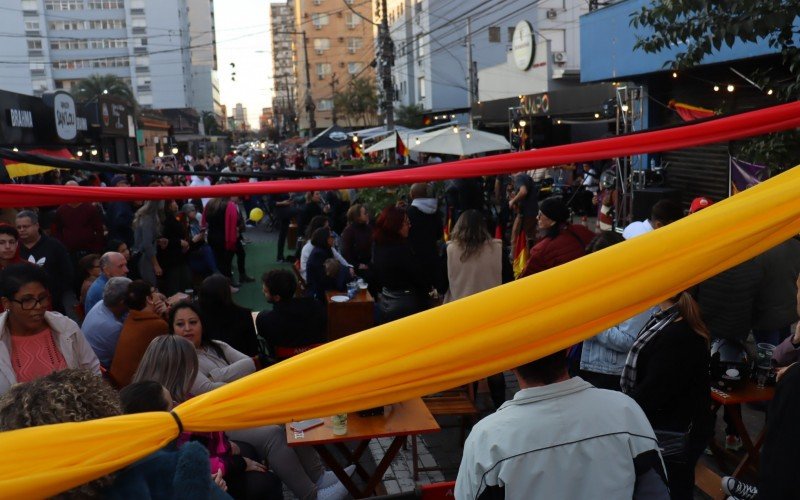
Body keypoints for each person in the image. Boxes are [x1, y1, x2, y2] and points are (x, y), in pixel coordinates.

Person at [167, 304, 351, 500]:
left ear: (202, 324)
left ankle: (320, 476)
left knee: (289, 416)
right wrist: (227, 379)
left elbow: (249, 363)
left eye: (192, 322)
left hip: (244, 406)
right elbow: (210, 392)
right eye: (180, 324)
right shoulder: (182, 359)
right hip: (219, 421)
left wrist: (215, 376)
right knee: (273, 434)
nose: (187, 328)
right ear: (172, 328)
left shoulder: (216, 346)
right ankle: (312, 496)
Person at [455, 349, 668, 499]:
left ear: (510, 363)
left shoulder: (487, 438)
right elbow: (655, 491)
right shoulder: (625, 411)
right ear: (567, 349)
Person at [131, 336, 281, 500]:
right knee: (266, 482)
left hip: (201, 464)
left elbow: (206, 439)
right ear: (180, 371)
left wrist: (228, 449)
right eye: (192, 367)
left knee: (248, 450)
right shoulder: (168, 408)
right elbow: (187, 460)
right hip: (191, 479)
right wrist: (235, 462)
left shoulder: (154, 396)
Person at [621, 291, 713, 499]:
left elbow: (655, 391)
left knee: (673, 487)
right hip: (672, 425)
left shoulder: (677, 334)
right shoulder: (666, 320)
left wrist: (620, 407)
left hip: (673, 431)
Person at [0, 264, 100, 396]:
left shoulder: (67, 328)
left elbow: (92, 372)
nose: (38, 306)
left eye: (42, 298)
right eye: (27, 300)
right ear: (6, 303)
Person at [443, 209, 507, 408]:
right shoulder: (497, 248)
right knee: (495, 367)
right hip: (491, 314)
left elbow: (440, 282)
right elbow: (508, 281)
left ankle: (468, 410)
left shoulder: (450, 250)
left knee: (466, 365)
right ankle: (500, 406)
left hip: (460, 315)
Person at [579, 231, 658, 390]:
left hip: (613, 373)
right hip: (593, 365)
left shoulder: (636, 290)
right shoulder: (603, 283)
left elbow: (629, 341)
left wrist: (591, 326)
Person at [372, 206, 431, 323]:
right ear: (396, 225)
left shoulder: (378, 245)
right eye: (406, 222)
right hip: (405, 304)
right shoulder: (400, 250)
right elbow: (417, 277)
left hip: (385, 300)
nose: (409, 225)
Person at [109, 280, 169, 388]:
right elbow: (174, 347)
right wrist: (167, 314)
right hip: (135, 388)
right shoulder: (158, 325)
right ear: (149, 299)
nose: (157, 294)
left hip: (117, 384)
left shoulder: (131, 317)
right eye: (154, 291)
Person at [256, 269, 326, 360]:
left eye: (265, 291)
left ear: (277, 297)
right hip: (317, 359)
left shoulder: (265, 319)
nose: (263, 292)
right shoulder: (317, 307)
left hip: (284, 364)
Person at [518, 196, 594, 278]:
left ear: (552, 220)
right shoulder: (582, 230)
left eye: (540, 215)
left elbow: (524, 279)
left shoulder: (541, 250)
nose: (537, 217)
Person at [16, 210, 74, 314]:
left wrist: (55, 294)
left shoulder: (54, 246)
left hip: (53, 303)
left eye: (25, 226)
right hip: (22, 304)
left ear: (36, 225)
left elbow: (67, 274)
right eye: (19, 227)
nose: (22, 230)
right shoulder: (14, 248)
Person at [752, 235, 800, 345]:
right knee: (785, 347)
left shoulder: (759, 249)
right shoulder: (796, 245)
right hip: (788, 310)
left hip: (765, 315)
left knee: (768, 352)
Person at [198, 274, 261, 356]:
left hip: (210, 365)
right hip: (242, 363)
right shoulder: (243, 315)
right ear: (227, 293)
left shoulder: (196, 317)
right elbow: (253, 349)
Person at [82, 277, 131, 369]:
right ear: (123, 302)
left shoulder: (101, 303)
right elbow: (125, 357)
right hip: (103, 370)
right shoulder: (113, 327)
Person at [407, 183, 445, 295]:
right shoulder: (436, 212)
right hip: (432, 253)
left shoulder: (409, 213)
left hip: (415, 256)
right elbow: (439, 234)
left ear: (412, 195)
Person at [299, 216, 351, 281]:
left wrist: (349, 267)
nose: (330, 229)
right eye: (327, 228)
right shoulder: (311, 249)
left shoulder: (324, 244)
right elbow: (317, 275)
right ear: (319, 231)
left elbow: (338, 257)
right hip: (312, 282)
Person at [159, 199, 192, 296]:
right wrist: (179, 242)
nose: (175, 203)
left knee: (185, 281)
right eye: (172, 201)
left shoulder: (175, 218)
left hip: (180, 255)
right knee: (175, 284)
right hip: (172, 257)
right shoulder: (167, 220)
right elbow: (164, 239)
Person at [305, 227, 346, 301]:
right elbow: (323, 278)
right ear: (325, 239)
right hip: (318, 293)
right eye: (331, 236)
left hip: (323, 287)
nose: (333, 238)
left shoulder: (325, 249)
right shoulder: (318, 254)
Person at [204, 197, 239, 281]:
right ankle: (227, 283)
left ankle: (222, 283)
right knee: (225, 262)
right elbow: (234, 222)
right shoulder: (229, 206)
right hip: (225, 237)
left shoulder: (209, 204)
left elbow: (204, 220)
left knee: (218, 261)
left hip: (212, 236)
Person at [133, 200, 164, 287]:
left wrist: (157, 241)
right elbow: (146, 243)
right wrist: (156, 264)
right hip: (145, 256)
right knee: (150, 285)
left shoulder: (151, 216)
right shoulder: (147, 218)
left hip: (147, 254)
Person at [508, 172, 539, 247]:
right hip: (532, 212)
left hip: (525, 213)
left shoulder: (519, 178)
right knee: (531, 237)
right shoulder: (526, 177)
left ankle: (515, 256)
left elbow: (523, 191)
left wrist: (513, 201)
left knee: (516, 238)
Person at [339, 203, 372, 272]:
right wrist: (357, 265)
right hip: (357, 267)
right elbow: (345, 252)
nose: (367, 214)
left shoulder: (368, 228)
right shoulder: (349, 232)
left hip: (369, 263)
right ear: (358, 217)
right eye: (365, 213)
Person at [104, 175, 135, 248]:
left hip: (117, 240)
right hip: (121, 242)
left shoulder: (115, 201)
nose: (129, 185)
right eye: (126, 183)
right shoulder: (120, 201)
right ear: (118, 185)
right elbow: (120, 222)